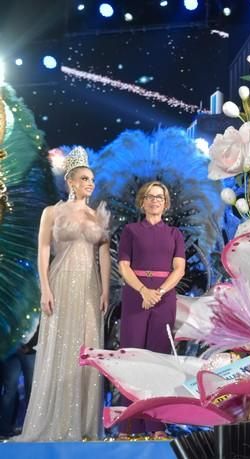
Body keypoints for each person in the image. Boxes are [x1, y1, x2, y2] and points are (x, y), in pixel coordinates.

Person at [14, 146, 110, 441]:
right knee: (60, 347)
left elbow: (103, 254)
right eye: (84, 179)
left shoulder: (98, 215)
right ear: (70, 181)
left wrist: (106, 289)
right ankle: (55, 422)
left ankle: (83, 424)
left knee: (86, 348)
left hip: (89, 286)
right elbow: (43, 249)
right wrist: (44, 287)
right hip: (61, 280)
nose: (89, 184)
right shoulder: (52, 212)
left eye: (91, 179)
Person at [117, 181, 185, 437]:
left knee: (158, 360)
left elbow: (179, 269)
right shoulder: (130, 231)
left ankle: (157, 426)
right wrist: (144, 291)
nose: (155, 200)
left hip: (164, 299)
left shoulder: (174, 234)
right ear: (142, 201)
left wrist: (158, 293)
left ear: (166, 203)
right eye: (150, 196)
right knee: (131, 359)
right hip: (136, 297)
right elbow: (124, 266)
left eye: (160, 197)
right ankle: (128, 424)